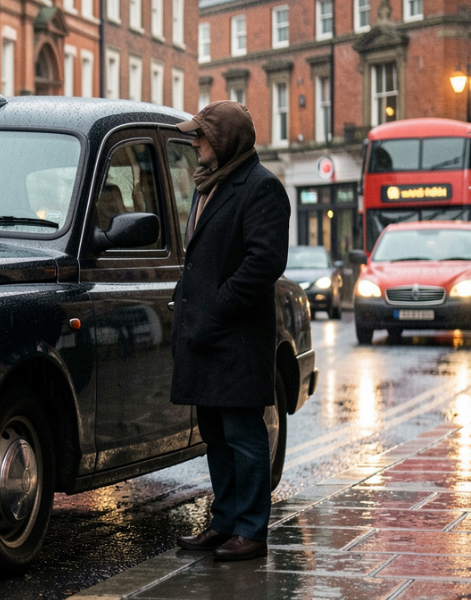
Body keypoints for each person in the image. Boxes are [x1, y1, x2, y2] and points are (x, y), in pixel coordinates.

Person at [170, 101, 290, 561]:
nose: (195, 143)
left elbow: (264, 262)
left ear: (224, 140)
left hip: (236, 337)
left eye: (201, 135)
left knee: (243, 434)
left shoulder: (260, 187)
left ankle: (251, 531)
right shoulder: (208, 184)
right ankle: (224, 523)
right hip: (206, 336)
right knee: (216, 435)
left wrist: (217, 307)